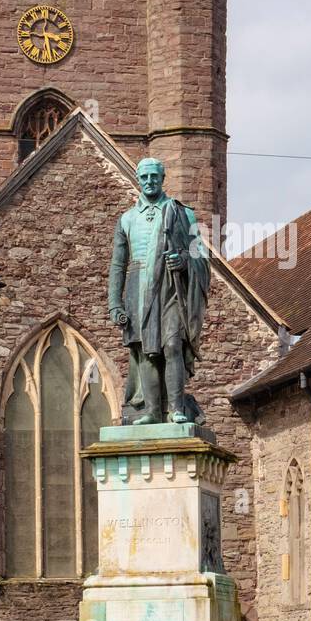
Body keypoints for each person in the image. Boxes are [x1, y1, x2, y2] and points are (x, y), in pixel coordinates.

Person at [108, 158, 209, 424]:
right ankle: (152, 412)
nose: (149, 182)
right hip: (137, 288)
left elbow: (202, 255)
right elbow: (118, 264)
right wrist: (114, 303)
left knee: (172, 344)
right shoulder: (127, 219)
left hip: (170, 286)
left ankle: (176, 409)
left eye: (154, 176)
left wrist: (185, 261)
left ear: (162, 178)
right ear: (138, 179)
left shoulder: (181, 213)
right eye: (144, 177)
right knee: (144, 351)